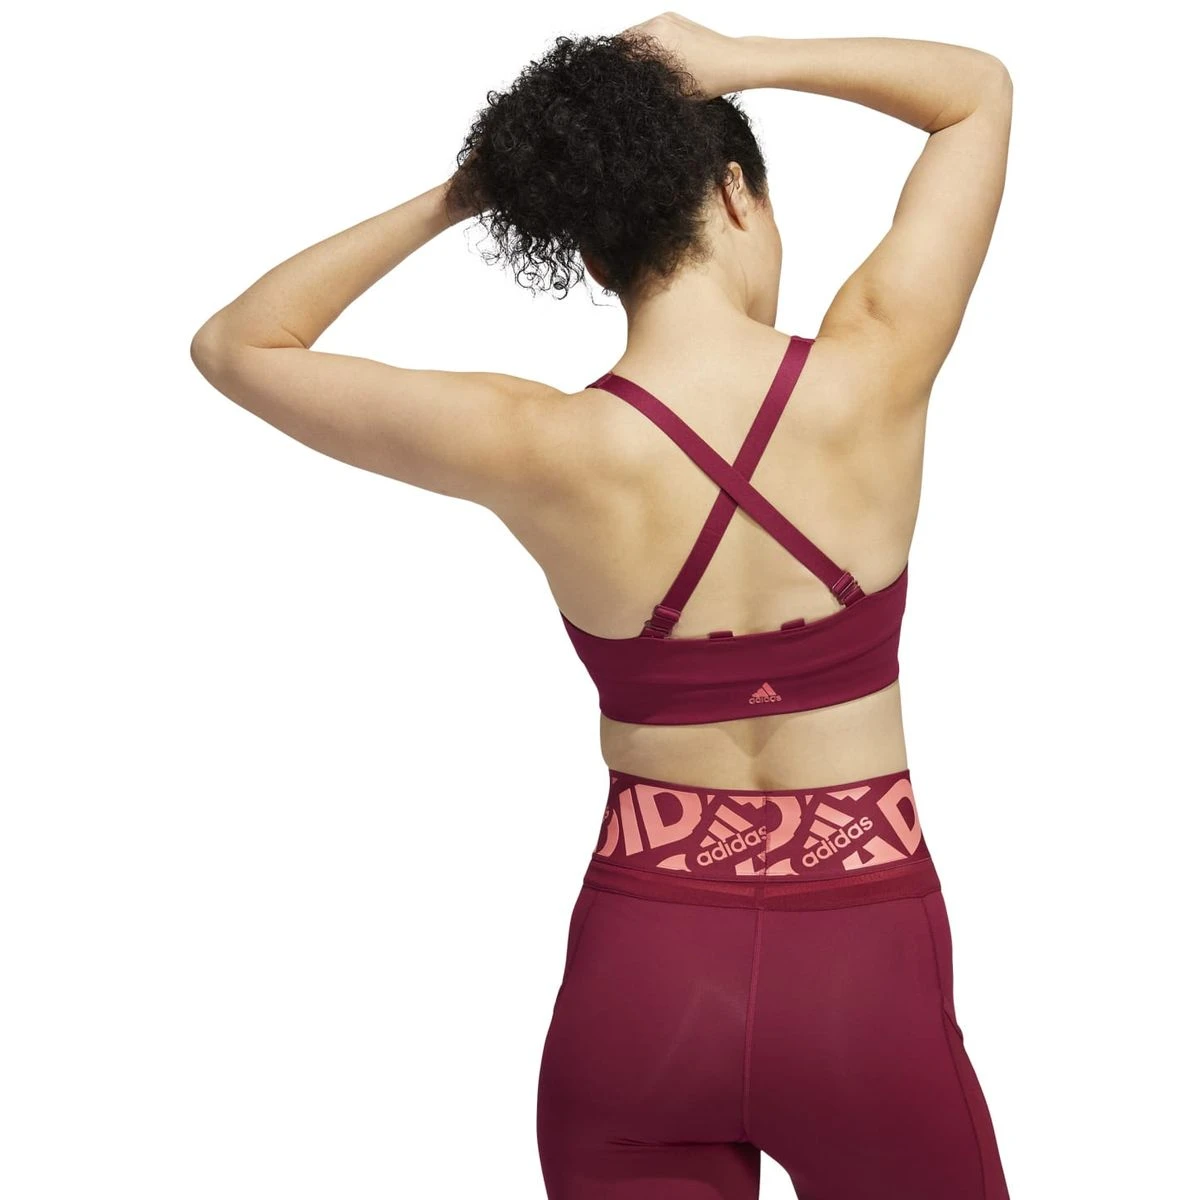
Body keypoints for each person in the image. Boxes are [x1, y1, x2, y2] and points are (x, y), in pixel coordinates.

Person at [190, 15, 1013, 1199]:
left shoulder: (538, 443)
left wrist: (474, 190)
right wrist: (739, 59)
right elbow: (975, 91)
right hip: (861, 967)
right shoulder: (872, 367)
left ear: (590, 258)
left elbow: (238, 347)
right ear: (736, 196)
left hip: (646, 979)